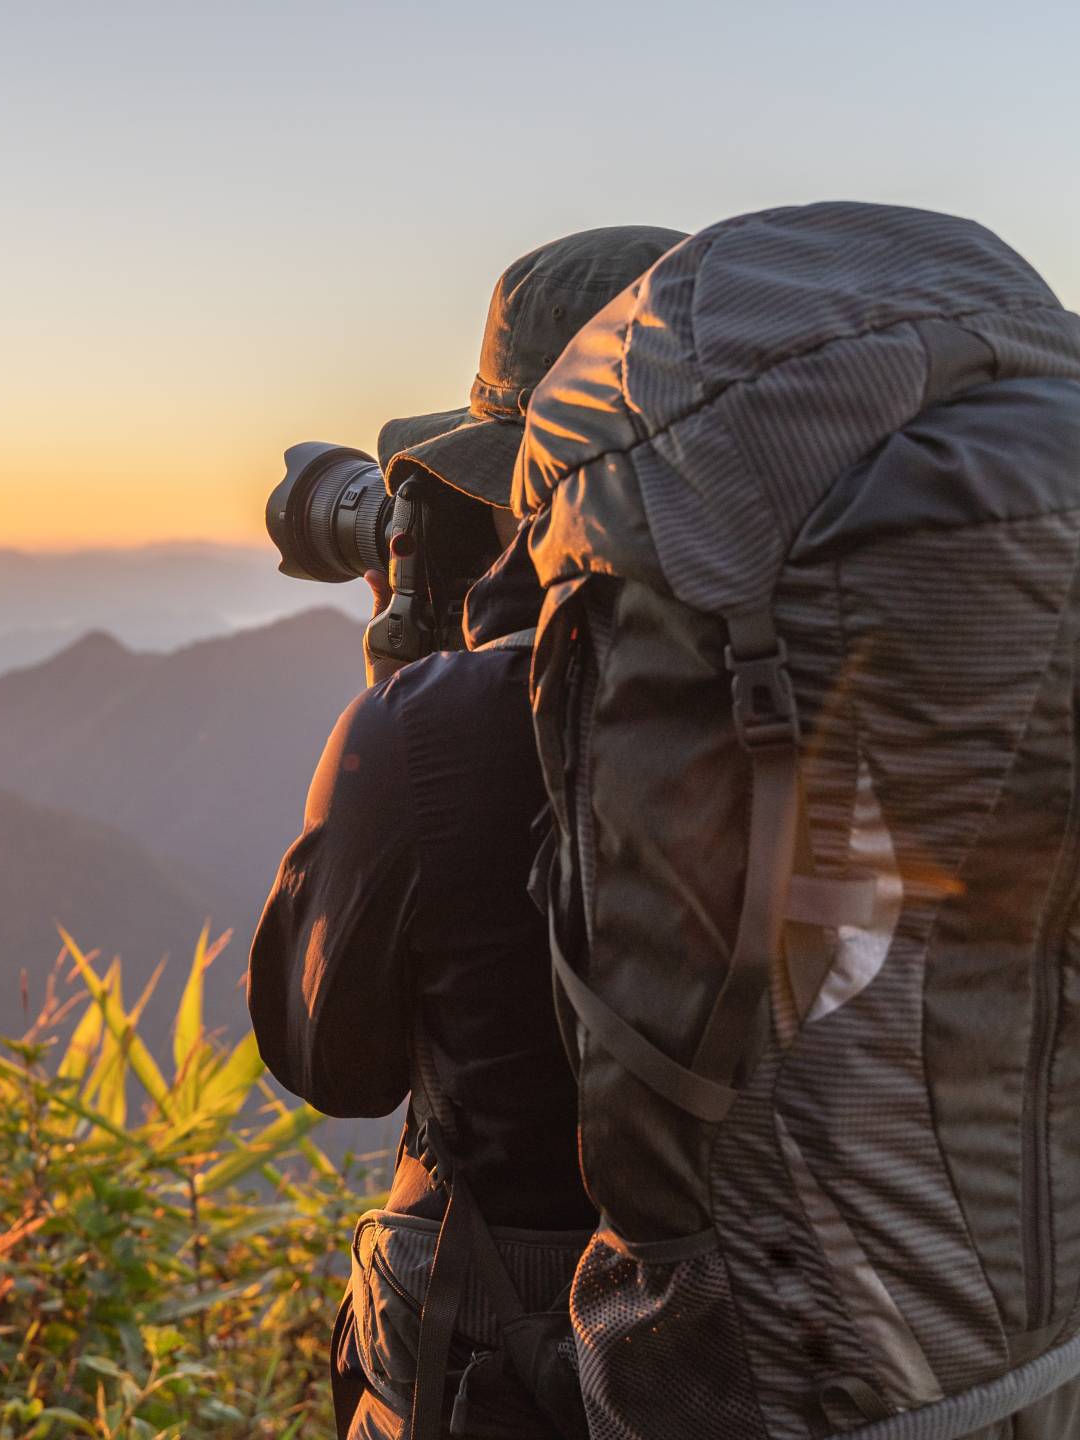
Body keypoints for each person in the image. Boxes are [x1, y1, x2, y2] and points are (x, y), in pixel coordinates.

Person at [246, 226, 684, 1440]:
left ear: (517, 475)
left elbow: (326, 1058)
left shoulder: (437, 733)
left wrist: (404, 694)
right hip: (810, 1352)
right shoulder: (857, 694)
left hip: (514, 1375)